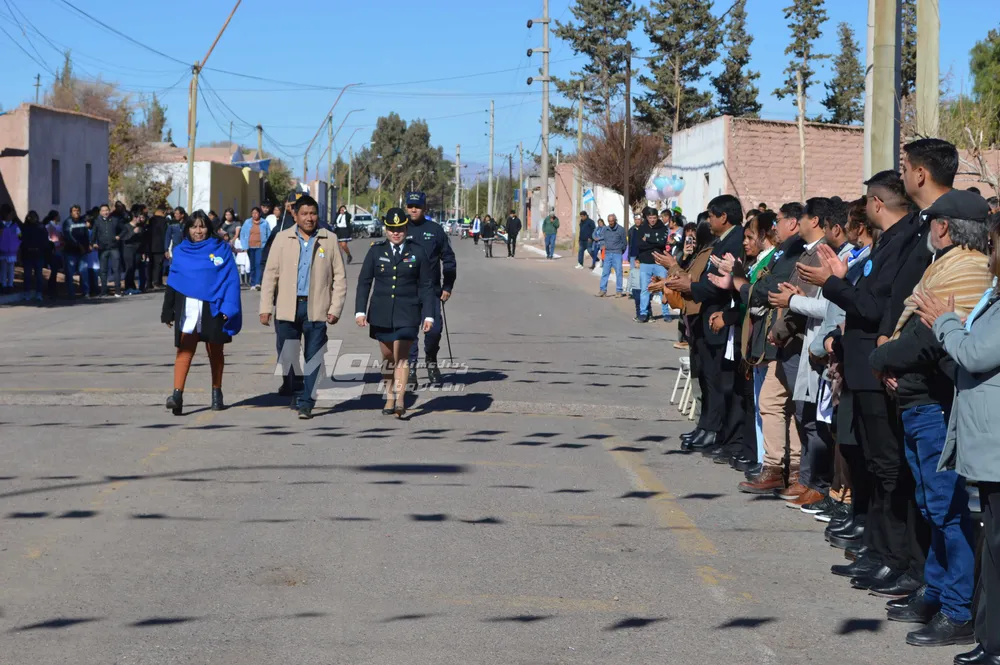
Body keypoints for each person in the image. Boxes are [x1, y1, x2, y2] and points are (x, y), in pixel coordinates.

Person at [868, 190, 989, 647]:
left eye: (932, 222)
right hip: (918, 401)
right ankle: (936, 591)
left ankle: (958, 610)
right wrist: (891, 359)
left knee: (948, 509)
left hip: (937, 403)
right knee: (932, 505)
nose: (928, 231)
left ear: (944, 227)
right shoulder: (946, 264)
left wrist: (882, 358)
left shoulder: (967, 269)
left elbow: (927, 339)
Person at [915, 211, 1000, 665]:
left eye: (994, 246)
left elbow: (975, 353)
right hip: (989, 445)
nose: (989, 255)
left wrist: (944, 322)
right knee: (994, 548)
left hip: (996, 444)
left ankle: (994, 645)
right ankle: (990, 641)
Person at [663, 195, 745, 452]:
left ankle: (716, 431)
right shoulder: (721, 241)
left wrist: (691, 287)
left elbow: (718, 284)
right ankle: (706, 427)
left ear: (724, 217)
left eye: (711, 215)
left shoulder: (735, 241)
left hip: (721, 318)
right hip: (706, 319)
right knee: (709, 381)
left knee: (718, 382)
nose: (709, 220)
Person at [259, 195, 348, 420]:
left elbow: (339, 277)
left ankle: (307, 401)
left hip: (316, 307)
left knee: (313, 356)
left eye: (313, 213)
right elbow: (270, 275)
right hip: (287, 307)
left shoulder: (329, 239)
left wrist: (335, 308)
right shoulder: (282, 238)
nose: (309, 218)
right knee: (288, 354)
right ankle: (295, 387)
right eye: (304, 214)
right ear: (295, 216)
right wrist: (265, 307)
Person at [355, 208, 436, 417]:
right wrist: (360, 311)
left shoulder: (417, 251)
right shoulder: (376, 251)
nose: (396, 233)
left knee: (402, 357)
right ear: (386, 230)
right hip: (381, 312)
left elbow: (426, 285)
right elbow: (364, 282)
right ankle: (389, 395)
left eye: (399, 229)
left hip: (408, 312)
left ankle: (399, 399)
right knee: (388, 356)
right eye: (392, 229)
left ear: (406, 229)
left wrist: (428, 314)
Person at [161, 210, 242, 416]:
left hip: (214, 307)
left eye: (202, 226)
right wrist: (167, 311)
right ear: (187, 229)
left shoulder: (221, 249)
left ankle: (216, 392)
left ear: (209, 228)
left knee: (215, 351)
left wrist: (229, 307)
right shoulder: (180, 251)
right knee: (184, 350)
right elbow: (173, 282)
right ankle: (177, 395)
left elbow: (231, 279)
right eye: (194, 227)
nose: (198, 231)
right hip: (187, 308)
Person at [403, 191, 457, 386]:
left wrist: (447, 286)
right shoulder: (400, 229)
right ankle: (410, 369)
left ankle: (431, 360)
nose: (413, 210)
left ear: (424, 208)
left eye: (417, 206)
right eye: (410, 206)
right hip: (407, 290)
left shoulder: (435, 230)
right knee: (409, 332)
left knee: (433, 331)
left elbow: (448, 258)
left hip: (431, 291)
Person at [634, 207, 669, 323]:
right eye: (650, 218)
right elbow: (640, 244)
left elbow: (662, 242)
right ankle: (643, 313)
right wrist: (655, 241)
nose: (652, 220)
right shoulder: (642, 228)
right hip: (645, 263)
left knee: (663, 288)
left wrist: (648, 239)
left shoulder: (663, 228)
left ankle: (666, 313)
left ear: (657, 217)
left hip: (659, 262)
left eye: (654, 217)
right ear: (647, 218)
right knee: (645, 289)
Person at [91, 203, 123, 298]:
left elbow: (124, 229)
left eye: (107, 210)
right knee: (103, 270)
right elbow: (94, 233)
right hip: (102, 249)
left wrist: (119, 236)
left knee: (116, 269)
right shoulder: (97, 222)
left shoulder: (115, 220)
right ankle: (104, 291)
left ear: (109, 211)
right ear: (100, 212)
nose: (105, 212)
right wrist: (93, 243)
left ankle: (118, 291)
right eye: (103, 211)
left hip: (114, 248)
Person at [20, 211, 48, 301]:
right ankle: (27, 292)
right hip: (27, 254)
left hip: (38, 254)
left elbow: (45, 241)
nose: (32, 218)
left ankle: (39, 293)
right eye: (30, 217)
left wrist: (42, 250)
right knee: (27, 275)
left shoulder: (41, 227)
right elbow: (21, 240)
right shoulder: (25, 227)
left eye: (33, 217)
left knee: (39, 275)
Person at [597, 214, 626, 297]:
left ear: (615, 220)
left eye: (612, 221)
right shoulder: (605, 229)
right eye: (609, 221)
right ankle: (603, 290)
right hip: (608, 253)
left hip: (617, 253)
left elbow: (624, 243)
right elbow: (602, 239)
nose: (611, 223)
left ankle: (619, 291)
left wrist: (620, 251)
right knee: (605, 272)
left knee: (619, 272)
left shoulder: (621, 229)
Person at [241, 207, 270, 290]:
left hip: (260, 247)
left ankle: (258, 282)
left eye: (256, 213)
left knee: (258, 264)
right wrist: (244, 246)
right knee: (252, 265)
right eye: (253, 213)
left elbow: (268, 234)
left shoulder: (264, 223)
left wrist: (267, 245)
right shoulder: (247, 222)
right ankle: (252, 283)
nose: (254, 215)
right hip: (250, 247)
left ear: (259, 214)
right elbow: (242, 234)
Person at [121, 205, 147, 294]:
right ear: (134, 218)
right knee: (129, 268)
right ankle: (128, 287)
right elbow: (123, 238)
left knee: (134, 268)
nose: (140, 219)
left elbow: (142, 240)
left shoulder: (140, 227)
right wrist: (133, 232)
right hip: (128, 250)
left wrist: (143, 252)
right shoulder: (126, 226)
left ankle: (132, 286)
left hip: (138, 250)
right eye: (139, 217)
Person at [0, 206, 21, 293]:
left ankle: (10, 285)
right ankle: (3, 285)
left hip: (12, 252)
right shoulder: (1, 225)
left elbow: (19, 236)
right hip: (2, 251)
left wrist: (17, 245)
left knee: (11, 269)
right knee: (3, 269)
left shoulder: (15, 226)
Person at [147, 205, 169, 289]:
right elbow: (164, 234)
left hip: (150, 245)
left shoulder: (151, 220)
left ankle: (151, 282)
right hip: (159, 246)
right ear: (163, 212)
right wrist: (166, 247)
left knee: (151, 265)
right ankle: (156, 282)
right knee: (158, 265)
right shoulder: (163, 221)